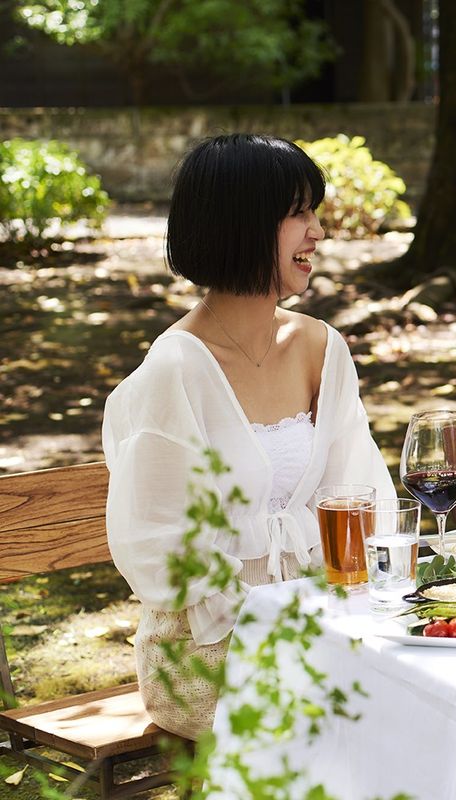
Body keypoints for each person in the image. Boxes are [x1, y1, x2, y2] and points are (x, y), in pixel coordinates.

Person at [102, 134, 395, 739]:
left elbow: (362, 494)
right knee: (361, 724)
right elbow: (160, 545)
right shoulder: (174, 369)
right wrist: (269, 618)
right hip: (207, 650)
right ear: (239, 223)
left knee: (431, 699)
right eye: (297, 213)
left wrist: (336, 608)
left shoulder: (322, 347)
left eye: (314, 211)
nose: (317, 231)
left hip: (324, 620)